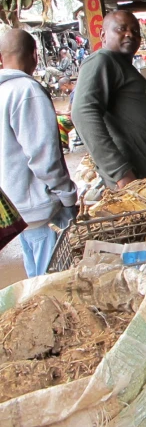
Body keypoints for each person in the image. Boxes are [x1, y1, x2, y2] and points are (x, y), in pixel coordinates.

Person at [0, 29, 77, 276]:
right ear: (35, 55)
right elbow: (44, 157)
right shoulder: (26, 91)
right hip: (39, 209)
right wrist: (68, 197)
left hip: (16, 206)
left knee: (35, 279)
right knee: (51, 283)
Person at [72, 11, 146, 188]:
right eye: (121, 29)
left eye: (135, 31)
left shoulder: (124, 66)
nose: (130, 34)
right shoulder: (102, 60)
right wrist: (120, 172)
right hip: (135, 182)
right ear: (103, 35)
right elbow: (83, 113)